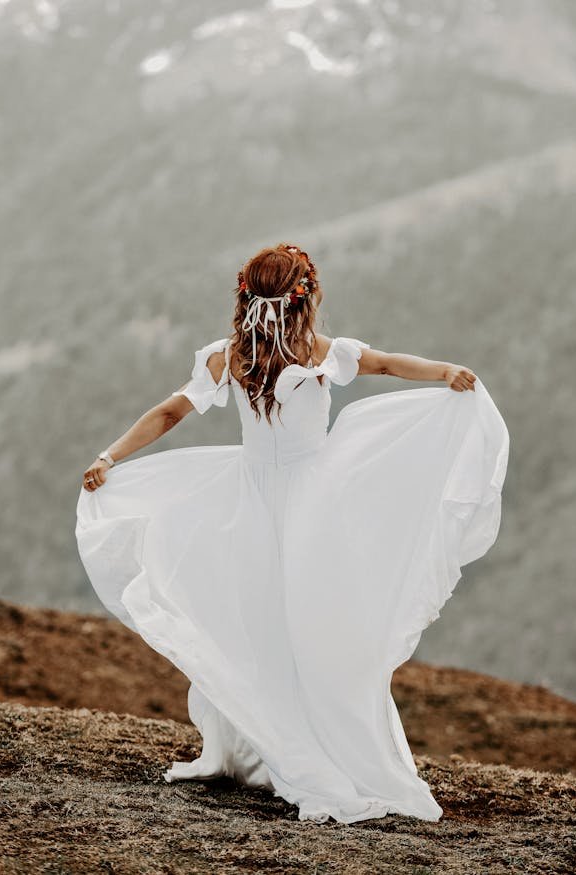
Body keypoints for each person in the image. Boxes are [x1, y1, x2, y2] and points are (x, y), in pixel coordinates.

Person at [75, 242, 509, 825]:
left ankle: (282, 744)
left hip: (254, 501)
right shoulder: (318, 352)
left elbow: (169, 413)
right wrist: (443, 371)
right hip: (309, 502)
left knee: (263, 624)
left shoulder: (232, 358)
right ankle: (308, 747)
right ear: (309, 296)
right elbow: (384, 363)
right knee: (314, 627)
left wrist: (110, 455)